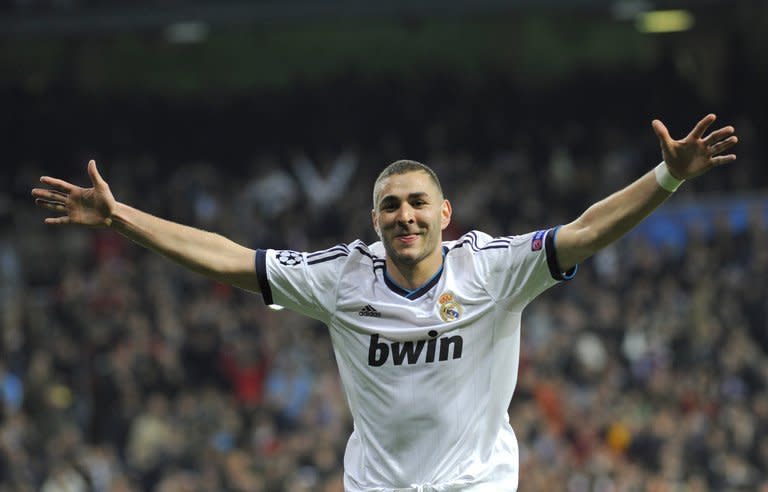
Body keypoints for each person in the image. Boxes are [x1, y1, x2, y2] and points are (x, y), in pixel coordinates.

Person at [32, 114, 738, 491]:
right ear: (374, 221)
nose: (405, 215)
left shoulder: (492, 269)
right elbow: (229, 258)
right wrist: (124, 219)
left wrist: (666, 178)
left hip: (476, 486)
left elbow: (584, 230)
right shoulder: (342, 276)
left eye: (417, 203)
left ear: (444, 213)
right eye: (390, 206)